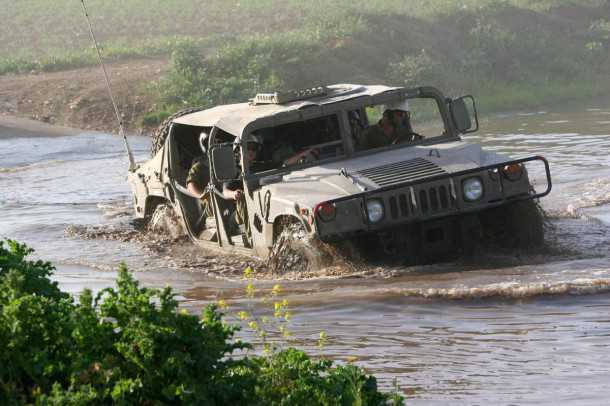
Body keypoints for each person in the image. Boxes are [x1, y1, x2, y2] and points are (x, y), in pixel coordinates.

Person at [357, 99, 423, 150]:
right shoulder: (368, 134)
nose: (403, 118)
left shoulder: (404, 131)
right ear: (387, 114)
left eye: (405, 115)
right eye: (400, 114)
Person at [186, 132, 213, 222]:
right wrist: (201, 195)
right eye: (209, 142)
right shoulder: (199, 166)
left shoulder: (226, 162)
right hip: (210, 204)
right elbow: (190, 185)